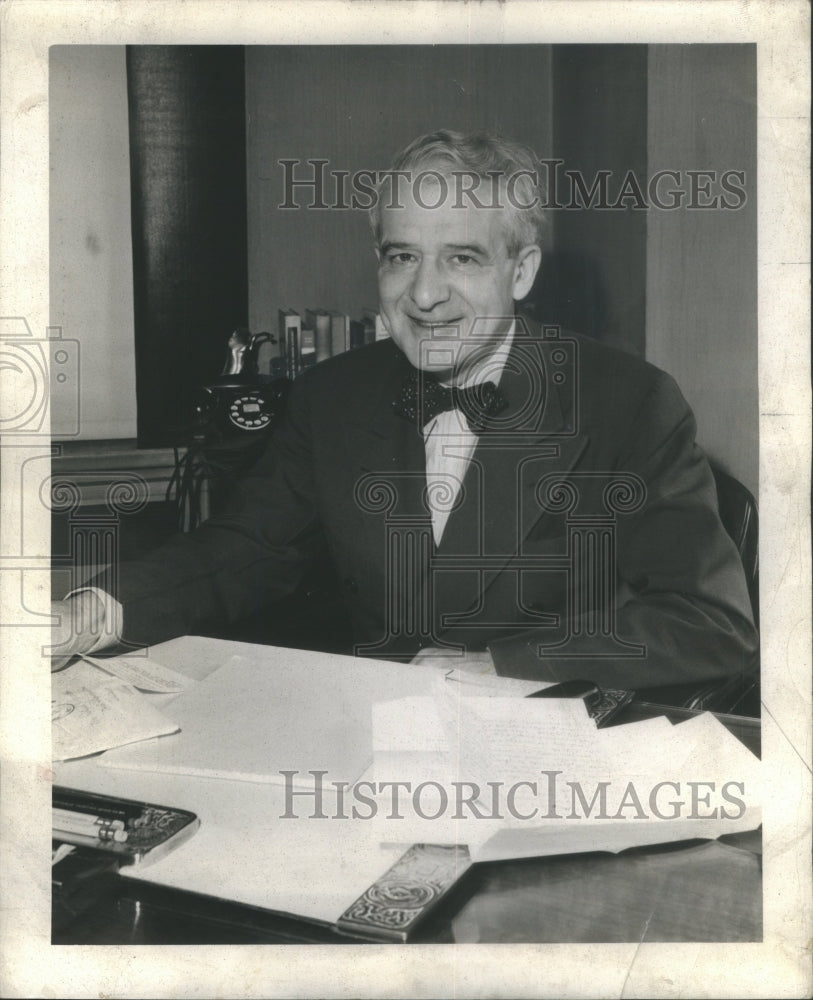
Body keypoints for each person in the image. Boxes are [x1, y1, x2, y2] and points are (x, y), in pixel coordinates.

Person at [52, 129, 758, 691]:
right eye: (400, 257)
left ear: (521, 271)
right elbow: (245, 549)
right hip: (373, 736)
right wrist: (92, 613)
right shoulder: (333, 394)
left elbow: (706, 621)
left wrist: (506, 668)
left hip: (550, 746)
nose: (422, 296)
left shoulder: (627, 402)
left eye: (460, 259)